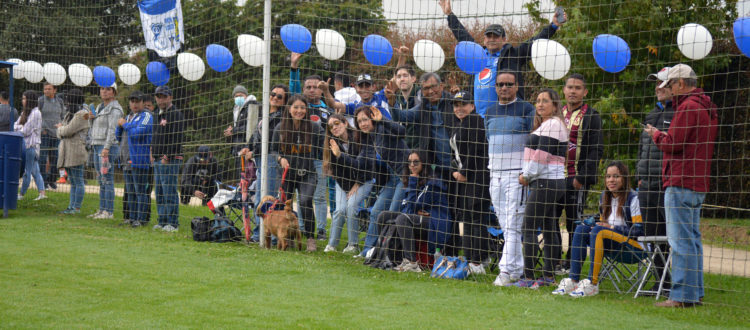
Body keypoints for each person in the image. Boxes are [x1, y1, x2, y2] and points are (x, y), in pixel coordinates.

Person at [646, 63, 718, 308]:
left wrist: (656, 135)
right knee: (693, 239)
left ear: (681, 83)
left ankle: (680, 295)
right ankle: (694, 293)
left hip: (680, 180)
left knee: (679, 241)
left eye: (670, 84)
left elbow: (673, 144)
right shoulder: (707, 107)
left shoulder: (687, 107)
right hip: (698, 182)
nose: (668, 89)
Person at [440, 0, 565, 116]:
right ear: (484, 39)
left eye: (496, 36)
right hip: (477, 117)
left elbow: (535, 43)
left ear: (504, 40)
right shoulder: (478, 55)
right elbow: (463, 36)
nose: (492, 39)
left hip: (503, 118)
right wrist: (450, 14)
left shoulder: (513, 54)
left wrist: (553, 26)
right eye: (489, 36)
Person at [553, 161, 645, 297]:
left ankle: (592, 283)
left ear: (624, 178)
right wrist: (594, 225)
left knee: (598, 231)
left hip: (634, 248)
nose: (611, 180)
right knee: (581, 229)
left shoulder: (633, 199)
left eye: (616, 176)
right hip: (611, 244)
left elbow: (639, 231)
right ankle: (573, 280)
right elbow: (603, 225)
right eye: (608, 176)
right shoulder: (604, 197)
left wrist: (612, 227)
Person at [485, 70, 536, 287]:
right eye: (500, 84)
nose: (504, 88)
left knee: (514, 223)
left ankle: (505, 271)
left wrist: (527, 172)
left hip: (517, 176)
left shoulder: (527, 109)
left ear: (516, 86)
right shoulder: (489, 112)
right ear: (495, 87)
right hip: (494, 175)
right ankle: (517, 268)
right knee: (506, 224)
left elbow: (534, 141)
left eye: (508, 84)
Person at [515, 88, 568, 289]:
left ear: (555, 105)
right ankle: (547, 276)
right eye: (537, 101)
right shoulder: (548, 125)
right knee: (548, 228)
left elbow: (542, 156)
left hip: (545, 182)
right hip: (550, 182)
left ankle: (528, 278)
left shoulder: (553, 124)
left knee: (528, 227)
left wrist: (525, 176)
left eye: (545, 101)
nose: (540, 104)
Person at [556, 73, 604, 273]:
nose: (573, 91)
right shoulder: (557, 113)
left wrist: (582, 177)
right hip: (554, 177)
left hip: (576, 178)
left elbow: (596, 149)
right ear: (564, 90)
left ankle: (571, 262)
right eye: (570, 87)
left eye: (577, 88)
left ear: (585, 92)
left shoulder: (591, 116)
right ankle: (555, 259)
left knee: (574, 222)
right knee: (551, 218)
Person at [377, 150, 451, 272]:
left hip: (435, 222)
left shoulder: (433, 182)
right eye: (409, 162)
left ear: (424, 163)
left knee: (402, 218)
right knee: (383, 216)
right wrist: (415, 209)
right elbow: (408, 208)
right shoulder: (412, 180)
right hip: (420, 218)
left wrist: (412, 183)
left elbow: (412, 207)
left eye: (416, 162)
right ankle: (385, 255)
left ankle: (412, 262)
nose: (412, 165)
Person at [636, 66, 675, 292]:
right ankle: (662, 280)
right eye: (656, 83)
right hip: (646, 185)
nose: (658, 88)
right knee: (652, 236)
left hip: (667, 184)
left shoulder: (680, 113)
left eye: (663, 83)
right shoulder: (651, 114)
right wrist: (639, 176)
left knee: (672, 236)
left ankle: (678, 281)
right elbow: (643, 148)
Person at [353, 106, 410, 258]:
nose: (363, 124)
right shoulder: (367, 138)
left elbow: (402, 132)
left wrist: (383, 120)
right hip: (391, 179)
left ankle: (387, 252)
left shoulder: (383, 128)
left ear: (373, 118)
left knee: (391, 214)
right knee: (376, 212)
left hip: (403, 175)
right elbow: (359, 162)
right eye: (359, 121)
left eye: (365, 119)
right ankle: (367, 251)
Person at [271, 94, 325, 251]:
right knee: (285, 205)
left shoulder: (314, 128)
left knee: (306, 201)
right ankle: (287, 237)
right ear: (289, 109)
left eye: (302, 107)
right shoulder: (280, 128)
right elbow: (273, 150)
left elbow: (325, 144)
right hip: (287, 174)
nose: (299, 110)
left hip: (307, 173)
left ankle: (310, 238)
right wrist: (280, 158)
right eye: (296, 107)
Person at [289, 52, 333, 241]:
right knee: (302, 196)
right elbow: (293, 89)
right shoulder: (301, 107)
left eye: (316, 87)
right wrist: (294, 68)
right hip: (301, 159)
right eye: (309, 87)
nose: (312, 90)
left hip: (320, 160)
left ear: (322, 90)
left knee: (320, 197)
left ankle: (321, 230)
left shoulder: (327, 109)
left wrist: (329, 160)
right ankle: (302, 228)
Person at [449, 91, 491, 275]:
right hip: (464, 179)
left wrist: (465, 172)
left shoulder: (475, 121)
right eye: (456, 105)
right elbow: (455, 153)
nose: (459, 108)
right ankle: (471, 259)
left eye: (463, 104)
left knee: (475, 219)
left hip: (477, 178)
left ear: (472, 106)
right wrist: (455, 170)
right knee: (466, 219)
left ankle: (478, 260)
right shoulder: (459, 124)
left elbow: (476, 150)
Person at [241, 84, 288, 242]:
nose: (274, 97)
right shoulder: (265, 114)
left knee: (267, 199)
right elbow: (256, 136)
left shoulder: (281, 118)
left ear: (284, 100)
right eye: (273, 94)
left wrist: (253, 152)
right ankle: (260, 233)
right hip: (259, 160)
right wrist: (248, 148)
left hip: (271, 160)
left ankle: (269, 236)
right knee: (260, 198)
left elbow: (271, 143)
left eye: (279, 96)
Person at [323, 114, 376, 254]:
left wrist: (357, 183)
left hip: (365, 179)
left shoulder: (361, 137)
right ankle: (332, 245)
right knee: (340, 210)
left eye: (337, 123)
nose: (334, 127)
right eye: (331, 126)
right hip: (344, 183)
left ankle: (353, 245)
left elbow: (364, 165)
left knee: (352, 206)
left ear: (345, 123)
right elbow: (337, 173)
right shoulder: (332, 143)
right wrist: (348, 189)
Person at [389, 72, 453, 179]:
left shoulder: (453, 103)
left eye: (433, 87)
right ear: (422, 91)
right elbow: (401, 116)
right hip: (435, 169)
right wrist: (392, 103)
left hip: (458, 165)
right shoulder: (422, 109)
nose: (431, 91)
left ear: (441, 86)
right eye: (426, 88)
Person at [151, 85, 186, 232]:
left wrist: (167, 156)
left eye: (164, 96)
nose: (161, 100)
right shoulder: (157, 114)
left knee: (169, 190)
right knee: (159, 190)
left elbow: (177, 138)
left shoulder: (175, 114)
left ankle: (173, 223)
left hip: (170, 159)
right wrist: (152, 153)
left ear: (170, 97)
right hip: (158, 158)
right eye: (159, 97)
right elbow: (155, 136)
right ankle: (162, 220)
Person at [118, 90, 153, 227]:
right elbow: (119, 135)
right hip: (126, 158)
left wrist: (124, 125)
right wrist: (119, 126)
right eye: (132, 101)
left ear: (143, 103)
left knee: (140, 191)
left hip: (139, 159)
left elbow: (137, 133)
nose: (134, 104)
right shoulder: (129, 116)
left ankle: (141, 219)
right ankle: (131, 218)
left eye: (137, 101)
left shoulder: (146, 116)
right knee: (130, 191)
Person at [88, 83, 123, 220]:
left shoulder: (115, 109)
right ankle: (102, 210)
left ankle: (109, 211)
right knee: (100, 179)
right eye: (102, 89)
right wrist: (91, 119)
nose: (104, 92)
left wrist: (107, 148)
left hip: (106, 147)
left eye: (108, 89)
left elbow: (112, 130)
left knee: (107, 179)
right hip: (97, 144)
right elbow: (95, 127)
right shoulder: (99, 107)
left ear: (114, 92)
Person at [56, 89, 90, 214]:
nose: (66, 103)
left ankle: (76, 207)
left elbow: (67, 131)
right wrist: (61, 130)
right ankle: (71, 206)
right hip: (67, 151)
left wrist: (60, 128)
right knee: (72, 180)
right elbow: (61, 134)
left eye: (68, 101)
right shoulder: (69, 114)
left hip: (76, 151)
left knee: (78, 180)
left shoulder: (82, 114)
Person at [14, 90, 46, 201]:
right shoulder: (25, 112)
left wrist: (19, 128)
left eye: (24, 98)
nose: (22, 100)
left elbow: (25, 131)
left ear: (29, 99)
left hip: (30, 146)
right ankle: (42, 193)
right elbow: (15, 125)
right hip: (25, 145)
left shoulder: (36, 113)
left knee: (27, 171)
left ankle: (21, 194)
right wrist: (19, 128)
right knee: (35, 170)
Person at [321, 73, 392, 121]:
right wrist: (325, 90)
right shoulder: (355, 107)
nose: (364, 89)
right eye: (361, 86)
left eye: (367, 86)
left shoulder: (381, 95)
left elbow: (395, 80)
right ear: (356, 88)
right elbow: (333, 104)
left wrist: (402, 57)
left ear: (373, 87)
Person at [224, 85, 258, 183]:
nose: (238, 98)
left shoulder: (252, 106)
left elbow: (251, 127)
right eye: (236, 96)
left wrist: (234, 131)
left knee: (249, 180)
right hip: (238, 151)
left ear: (246, 95)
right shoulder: (236, 109)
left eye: (241, 95)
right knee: (241, 181)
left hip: (247, 150)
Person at [38, 82, 65, 189]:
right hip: (44, 133)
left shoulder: (60, 101)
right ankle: (43, 181)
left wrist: (62, 125)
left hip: (57, 134)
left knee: (56, 158)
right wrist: (42, 128)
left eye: (49, 89)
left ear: (55, 90)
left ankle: (51, 179)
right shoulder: (41, 100)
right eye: (45, 89)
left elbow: (63, 115)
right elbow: (36, 115)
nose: (47, 91)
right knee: (43, 159)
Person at [388, 64, 421, 150]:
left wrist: (392, 103)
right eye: (398, 77)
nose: (402, 79)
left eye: (405, 76)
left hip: (422, 149)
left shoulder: (421, 95)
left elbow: (401, 116)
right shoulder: (396, 98)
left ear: (413, 79)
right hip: (403, 149)